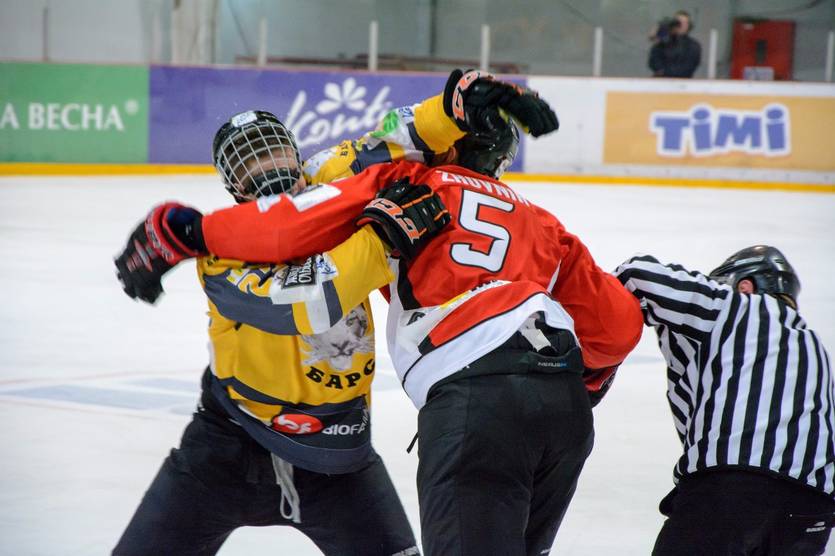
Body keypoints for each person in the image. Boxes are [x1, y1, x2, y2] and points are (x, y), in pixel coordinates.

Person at [115, 74, 643, 553]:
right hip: (227, 449)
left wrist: (452, 108)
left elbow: (388, 141)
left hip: (340, 455)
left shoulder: (332, 183)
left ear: (297, 154)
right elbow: (306, 302)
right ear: (232, 185)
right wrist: (380, 238)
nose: (270, 170)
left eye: (275, 154)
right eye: (252, 165)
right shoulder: (223, 255)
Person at [614, 246, 835, 556]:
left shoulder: (735, 306)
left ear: (744, 285)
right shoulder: (815, 348)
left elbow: (638, 274)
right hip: (814, 508)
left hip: (734, 489)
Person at [648, 10, 701, 78]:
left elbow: (687, 69)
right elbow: (653, 63)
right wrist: (661, 32)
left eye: (684, 23)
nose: (680, 25)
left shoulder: (693, 46)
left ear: (689, 26)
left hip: (683, 82)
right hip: (661, 82)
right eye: (678, 22)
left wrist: (664, 72)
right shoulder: (663, 43)